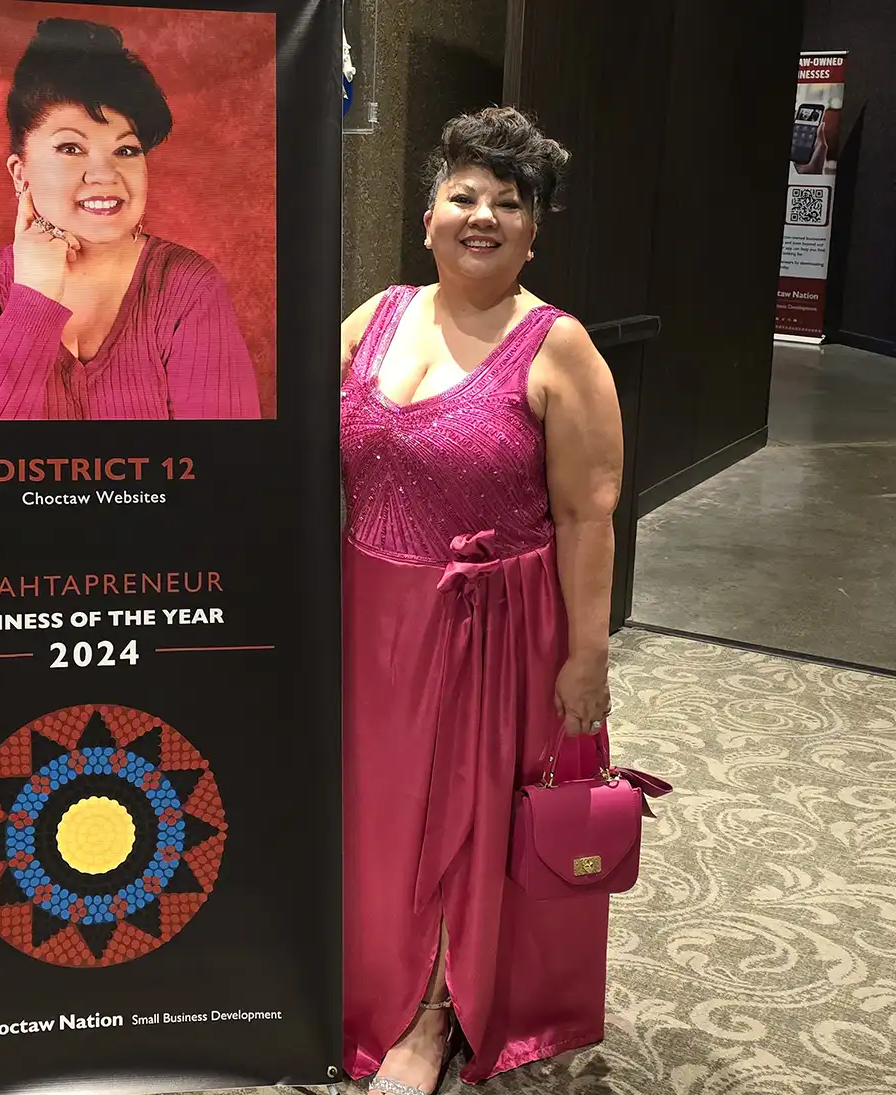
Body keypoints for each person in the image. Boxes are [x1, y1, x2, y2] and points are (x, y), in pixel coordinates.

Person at [338, 107, 623, 1092]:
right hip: (370, 617)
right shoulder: (374, 317)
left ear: (532, 230)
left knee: (464, 826)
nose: (483, 216)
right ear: (427, 217)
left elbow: (591, 517)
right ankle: (364, 988)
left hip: (495, 633)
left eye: (509, 202)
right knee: (377, 816)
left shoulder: (559, 346)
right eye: (464, 195)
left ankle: (432, 1022)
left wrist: (587, 659)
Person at [0, 18, 261, 421]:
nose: (105, 175)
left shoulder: (186, 285)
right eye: (71, 148)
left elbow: (229, 467)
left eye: (126, 151)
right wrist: (33, 301)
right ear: (20, 173)